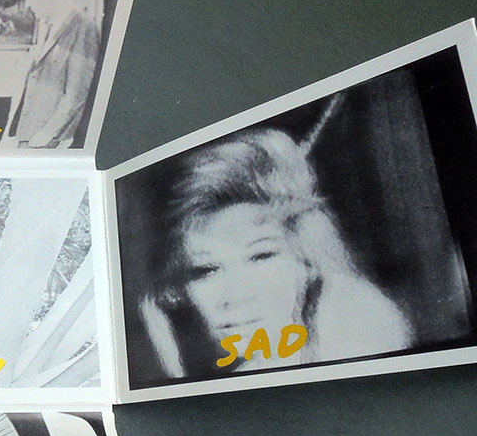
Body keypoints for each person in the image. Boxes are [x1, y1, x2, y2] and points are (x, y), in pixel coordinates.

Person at [140, 128, 413, 379]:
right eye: (205, 270)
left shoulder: (363, 334)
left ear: (308, 261)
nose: (234, 297)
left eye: (261, 256)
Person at [5, 0, 100, 149]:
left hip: (46, 141)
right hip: (28, 135)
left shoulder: (83, 27)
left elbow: (77, 94)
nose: (28, 3)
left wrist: (46, 135)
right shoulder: (47, 25)